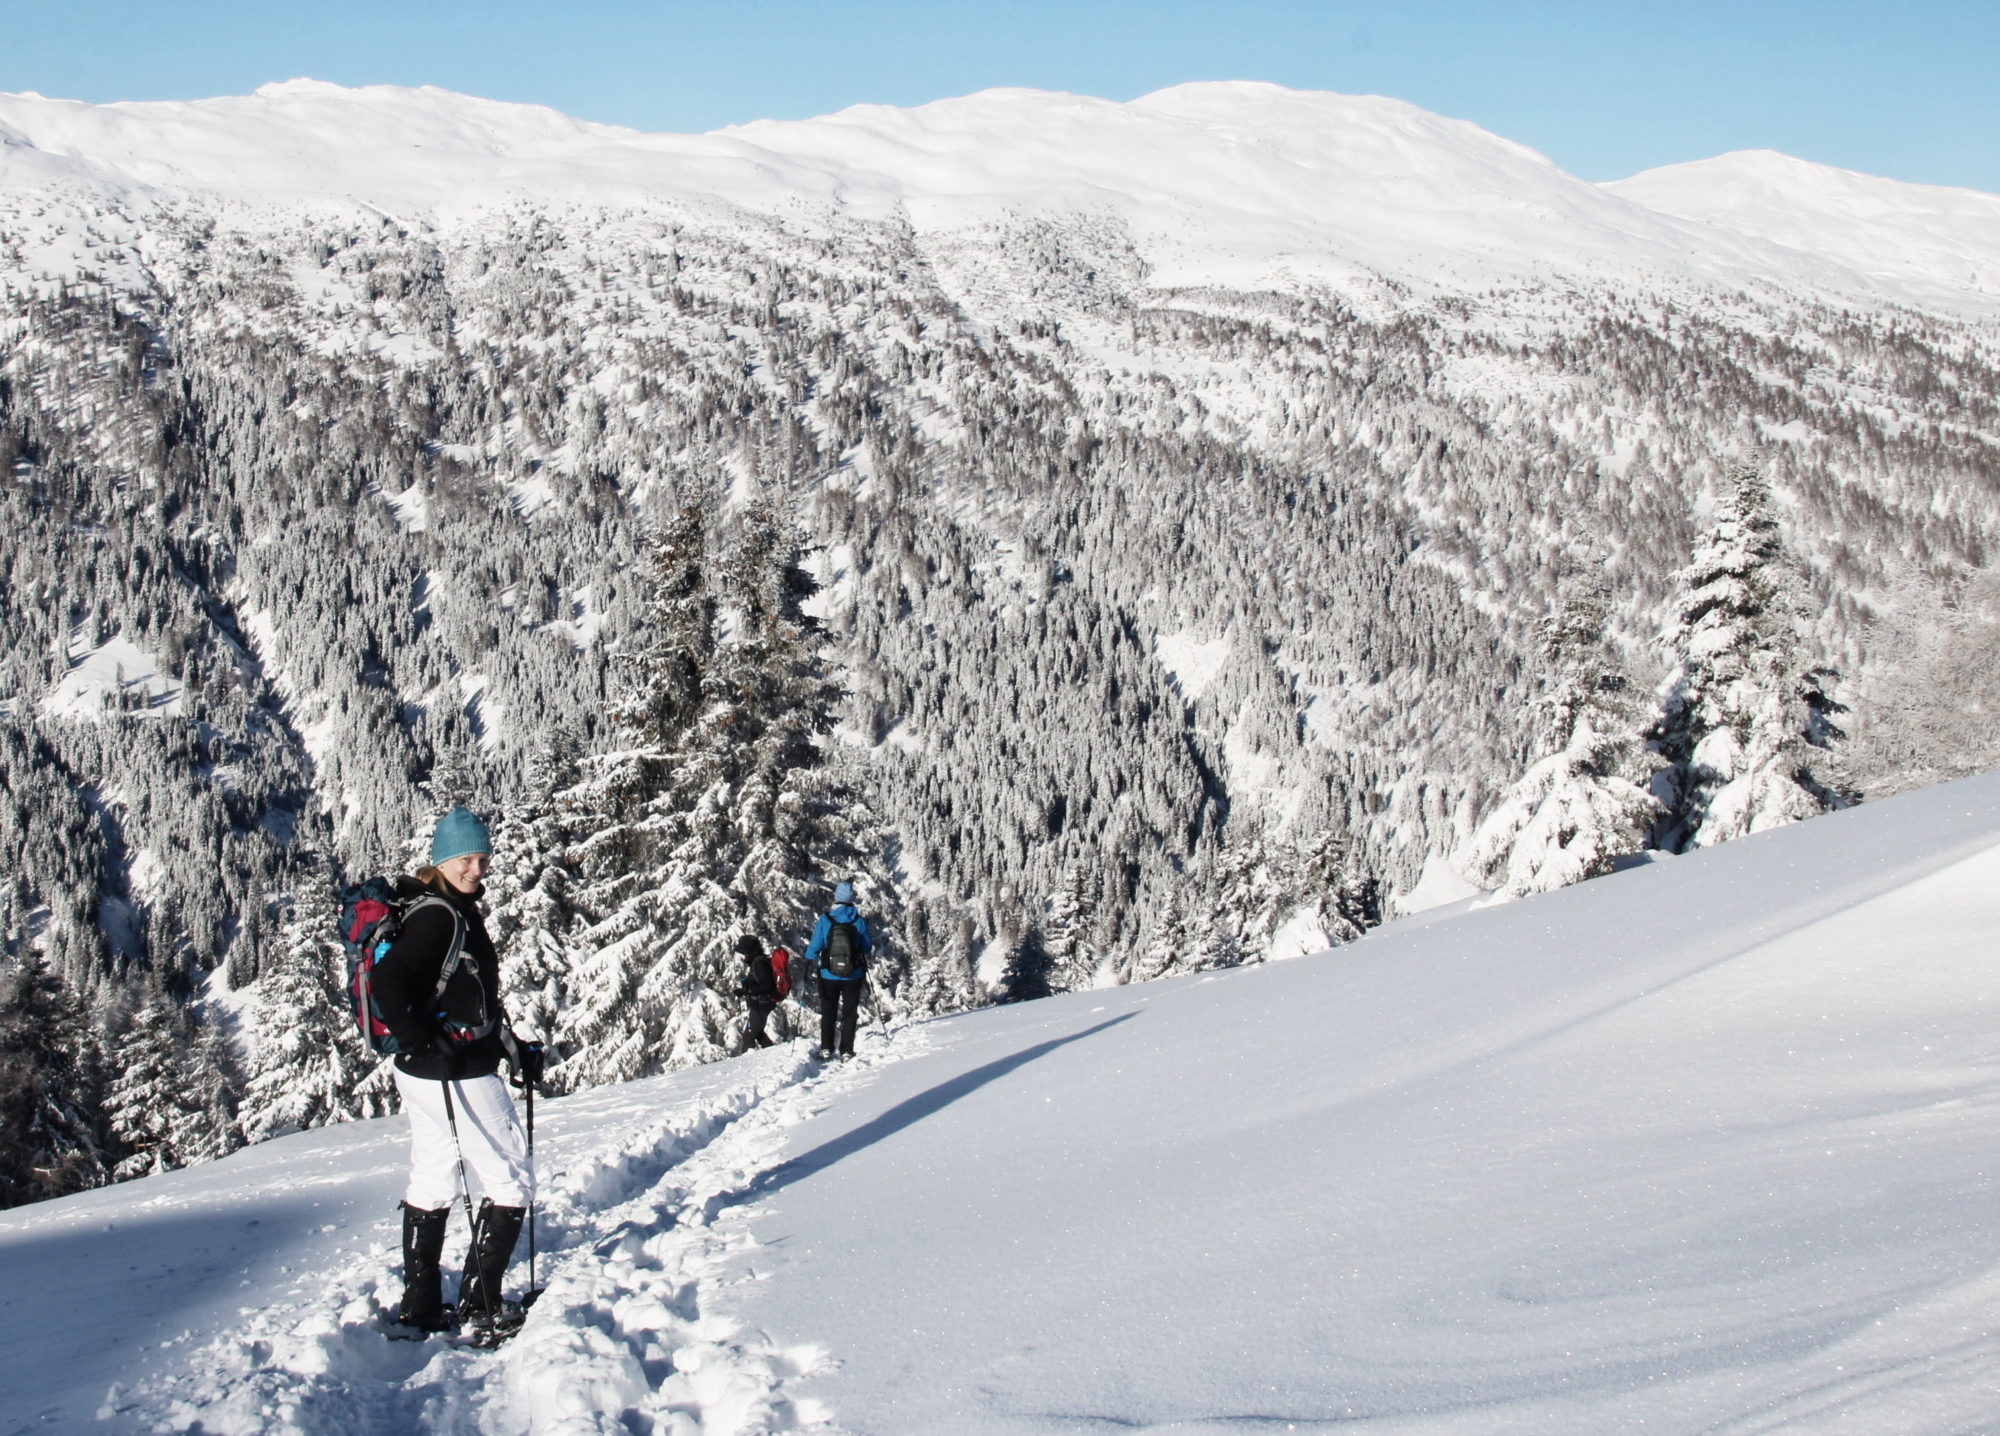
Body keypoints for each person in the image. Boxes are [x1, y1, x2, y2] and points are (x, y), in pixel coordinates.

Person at [374, 806, 545, 1334]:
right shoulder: (440, 917)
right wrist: (423, 1039)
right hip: (455, 1073)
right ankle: (480, 1306)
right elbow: (387, 984)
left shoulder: (442, 908)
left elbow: (470, 1000)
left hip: (422, 1074)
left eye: (482, 858)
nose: (477, 868)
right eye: (465, 859)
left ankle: (421, 1307)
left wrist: (512, 1048)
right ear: (441, 861)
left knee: (432, 1178)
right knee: (511, 1179)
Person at [804, 880, 873, 1060]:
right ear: (851, 898)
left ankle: (826, 1048)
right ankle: (846, 1050)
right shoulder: (858, 920)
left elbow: (815, 946)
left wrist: (810, 956)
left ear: (836, 897)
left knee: (829, 1011)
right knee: (850, 1012)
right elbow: (866, 947)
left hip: (828, 973)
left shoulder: (826, 920)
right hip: (853, 974)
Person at [734, 933, 778, 1048]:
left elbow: (766, 986)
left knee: (748, 1037)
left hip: (761, 1005)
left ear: (750, 950)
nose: (744, 956)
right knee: (758, 1033)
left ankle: (747, 1059)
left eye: (745, 953)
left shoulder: (759, 963)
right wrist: (744, 990)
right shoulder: (758, 961)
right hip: (760, 1004)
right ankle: (773, 1052)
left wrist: (748, 990)